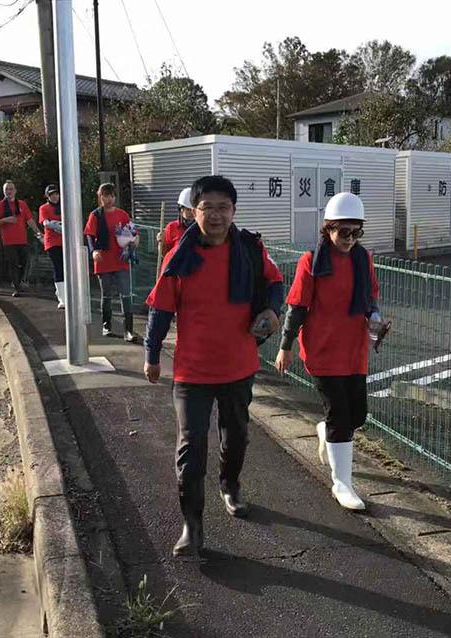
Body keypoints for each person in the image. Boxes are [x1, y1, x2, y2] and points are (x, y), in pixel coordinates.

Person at [143, 175, 284, 557]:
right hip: (192, 372)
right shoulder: (180, 256)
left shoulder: (251, 249)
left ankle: (230, 484)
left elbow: (275, 284)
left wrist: (272, 310)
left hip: (239, 365)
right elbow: (160, 310)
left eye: (224, 207)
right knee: (191, 447)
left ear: (234, 211)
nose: (216, 215)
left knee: (235, 435)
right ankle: (192, 525)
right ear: (193, 212)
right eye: (207, 208)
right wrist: (152, 354)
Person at [274, 192, 390, 511]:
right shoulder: (311, 261)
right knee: (340, 415)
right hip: (323, 350)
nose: (349, 239)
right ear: (328, 229)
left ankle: (326, 430)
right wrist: (285, 347)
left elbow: (370, 299)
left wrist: (376, 318)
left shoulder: (362, 258)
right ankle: (343, 484)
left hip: (354, 349)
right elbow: (297, 307)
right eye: (343, 232)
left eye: (356, 233)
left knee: (358, 414)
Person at [84, 183, 139, 341]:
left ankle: (128, 330)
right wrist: (93, 250)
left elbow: (133, 232)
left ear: (115, 197)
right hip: (103, 260)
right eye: (105, 195)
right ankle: (106, 325)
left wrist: (135, 240)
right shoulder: (96, 215)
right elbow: (89, 234)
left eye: (111, 195)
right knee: (106, 295)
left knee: (126, 294)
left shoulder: (122, 214)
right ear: (100, 197)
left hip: (121, 259)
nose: (108, 199)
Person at [0, 180, 42, 297]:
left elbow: (29, 220)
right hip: (8, 241)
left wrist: (38, 233)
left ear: (15, 190)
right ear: (3, 192)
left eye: (11, 189)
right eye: (6, 190)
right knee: (13, 263)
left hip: (22, 239)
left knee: (25, 261)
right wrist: (5, 220)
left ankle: (20, 282)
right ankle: (17, 287)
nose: (9, 192)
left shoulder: (22, 204)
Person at [39, 184, 65, 309]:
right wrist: (56, 225)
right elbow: (45, 222)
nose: (55, 196)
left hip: (65, 241)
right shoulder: (44, 208)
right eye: (51, 194)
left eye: (56, 194)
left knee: (67, 268)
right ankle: (62, 298)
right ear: (47, 196)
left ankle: (65, 293)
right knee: (58, 267)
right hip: (52, 242)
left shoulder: (64, 205)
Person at [158, 187, 195, 258]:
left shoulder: (201, 227)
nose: (191, 213)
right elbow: (165, 254)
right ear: (181, 209)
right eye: (188, 209)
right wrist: (161, 243)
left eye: (193, 209)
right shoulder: (172, 227)